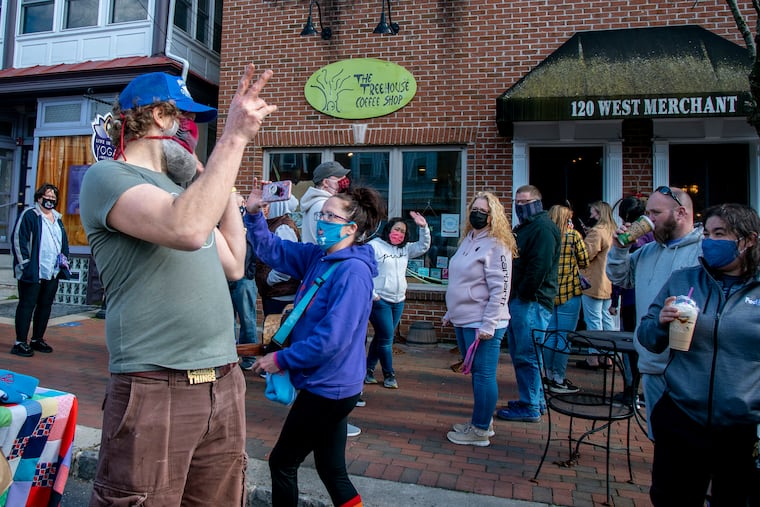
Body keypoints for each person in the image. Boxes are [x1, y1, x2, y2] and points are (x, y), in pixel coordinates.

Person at [79, 66, 276, 505]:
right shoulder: (110, 176)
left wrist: (216, 185)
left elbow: (235, 265)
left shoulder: (182, 189)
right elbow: (185, 229)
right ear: (158, 117)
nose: (190, 130)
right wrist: (234, 140)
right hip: (156, 385)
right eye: (183, 118)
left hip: (223, 383)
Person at [246, 184, 385, 507]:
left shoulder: (352, 272)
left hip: (329, 388)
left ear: (352, 228)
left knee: (282, 462)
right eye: (321, 214)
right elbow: (272, 250)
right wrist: (253, 214)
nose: (321, 220)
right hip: (329, 385)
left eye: (330, 216)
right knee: (331, 468)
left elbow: (332, 340)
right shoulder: (319, 256)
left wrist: (281, 359)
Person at [638, 203, 760, 506]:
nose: (710, 241)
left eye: (720, 234)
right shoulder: (685, 280)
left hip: (741, 426)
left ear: (749, 240)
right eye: (706, 233)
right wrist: (661, 323)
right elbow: (648, 337)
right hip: (682, 415)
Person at [606, 186, 702, 439]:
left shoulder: (702, 251)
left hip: (690, 367)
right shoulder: (648, 251)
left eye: (655, 212)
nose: (648, 219)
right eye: (647, 212)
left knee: (690, 443)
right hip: (651, 362)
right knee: (660, 440)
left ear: (680, 213)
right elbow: (620, 278)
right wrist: (619, 248)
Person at [443, 192, 517, 446]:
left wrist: (489, 324)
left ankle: (480, 430)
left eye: (483, 211)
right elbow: (460, 280)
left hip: (483, 323)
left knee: (484, 375)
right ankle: (482, 420)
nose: (477, 214)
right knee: (475, 373)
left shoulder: (497, 245)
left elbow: (501, 288)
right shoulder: (469, 240)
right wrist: (451, 311)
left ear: (492, 215)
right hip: (464, 319)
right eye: (474, 209)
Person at [497, 184, 560, 423]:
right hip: (524, 300)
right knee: (526, 354)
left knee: (527, 355)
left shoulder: (542, 229)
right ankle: (535, 400)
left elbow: (539, 267)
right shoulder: (527, 227)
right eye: (517, 202)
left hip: (531, 302)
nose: (520, 206)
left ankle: (530, 404)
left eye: (525, 202)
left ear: (537, 202)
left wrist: (522, 295)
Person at [365, 212, 431, 390]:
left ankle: (368, 370)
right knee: (387, 338)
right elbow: (364, 270)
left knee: (381, 336)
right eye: (396, 229)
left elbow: (423, 246)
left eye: (403, 231)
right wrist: (372, 294)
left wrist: (424, 227)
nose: (399, 233)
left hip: (398, 300)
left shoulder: (405, 249)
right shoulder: (374, 246)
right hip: (380, 300)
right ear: (388, 229)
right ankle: (389, 375)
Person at [10, 183, 70, 357]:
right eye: (47, 196)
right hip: (33, 271)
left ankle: (37, 339)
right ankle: (20, 342)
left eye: (53, 198)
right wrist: (26, 264)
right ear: (38, 197)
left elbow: (63, 244)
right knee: (27, 305)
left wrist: (64, 261)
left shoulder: (58, 219)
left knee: (45, 306)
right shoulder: (30, 215)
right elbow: (18, 240)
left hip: (52, 271)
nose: (50, 200)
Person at [609, 195, 654, 403]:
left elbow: (622, 272)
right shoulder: (655, 237)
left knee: (630, 345)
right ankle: (644, 390)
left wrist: (614, 298)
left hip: (631, 298)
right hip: (650, 298)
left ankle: (631, 390)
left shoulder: (633, 237)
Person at [543, 205, 589, 393]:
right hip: (569, 292)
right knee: (564, 337)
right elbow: (585, 260)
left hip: (548, 292)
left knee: (548, 336)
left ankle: (546, 375)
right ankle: (558, 378)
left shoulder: (546, 236)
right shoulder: (573, 236)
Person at [576, 200, 616, 368]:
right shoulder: (612, 230)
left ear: (599, 214)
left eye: (593, 213)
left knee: (593, 320)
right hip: (608, 281)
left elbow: (585, 255)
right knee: (606, 320)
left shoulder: (597, 232)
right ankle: (608, 356)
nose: (590, 216)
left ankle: (593, 357)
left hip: (593, 281)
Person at [255, 195, 301, 316]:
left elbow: (286, 264)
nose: (264, 209)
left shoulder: (283, 228)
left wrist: (269, 281)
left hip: (281, 296)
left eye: (267, 205)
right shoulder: (273, 224)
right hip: (275, 294)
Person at [229, 192, 258, 370]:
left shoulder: (251, 224)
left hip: (245, 278)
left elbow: (257, 249)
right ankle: (231, 355)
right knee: (228, 320)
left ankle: (249, 357)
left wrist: (249, 273)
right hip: (226, 278)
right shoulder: (223, 222)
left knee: (247, 319)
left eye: (239, 204)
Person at [300, 161, 350, 244]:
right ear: (326, 182)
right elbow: (334, 239)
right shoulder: (325, 206)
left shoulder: (313, 202)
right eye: (339, 178)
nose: (344, 181)